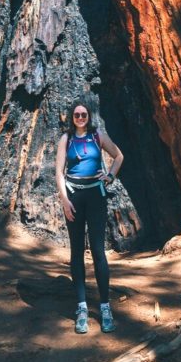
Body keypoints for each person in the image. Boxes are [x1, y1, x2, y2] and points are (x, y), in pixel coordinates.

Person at [55, 101, 124, 335]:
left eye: (84, 114)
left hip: (96, 195)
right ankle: (82, 307)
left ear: (89, 116)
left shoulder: (98, 136)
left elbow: (119, 156)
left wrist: (110, 176)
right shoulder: (66, 139)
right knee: (76, 251)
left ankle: (105, 307)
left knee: (97, 250)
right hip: (74, 197)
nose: (80, 117)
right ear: (71, 117)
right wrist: (64, 200)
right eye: (76, 114)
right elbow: (58, 172)